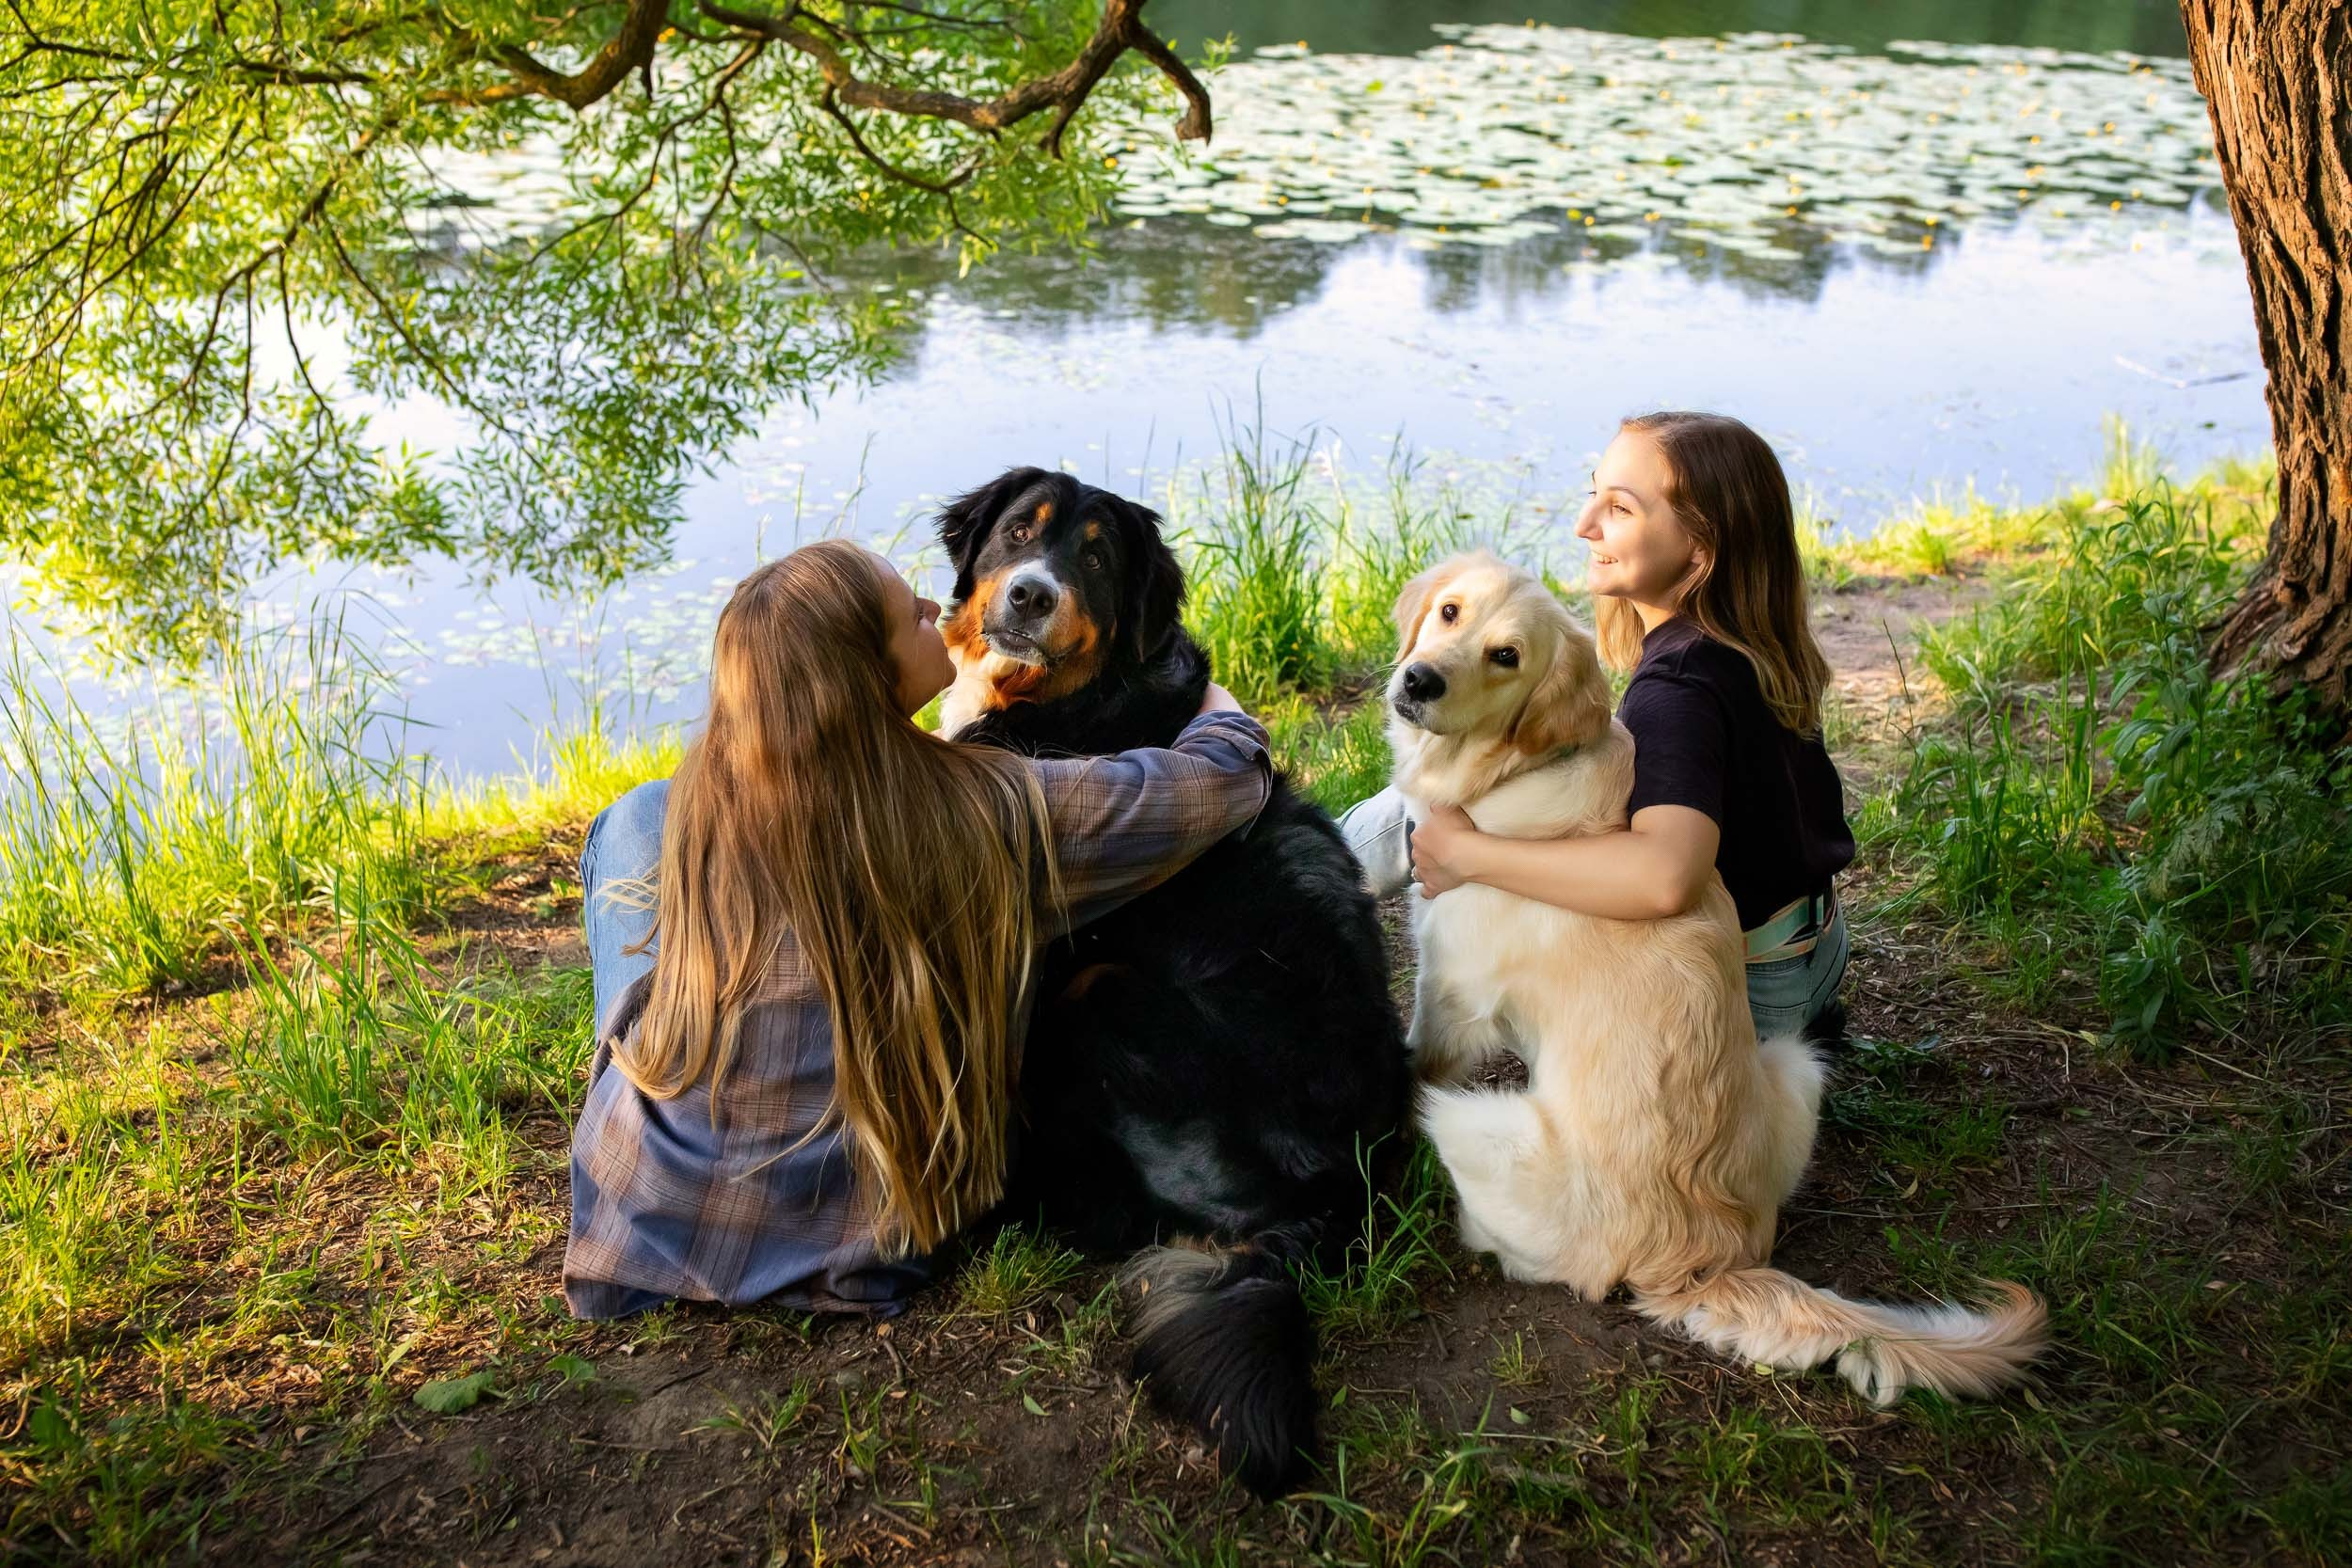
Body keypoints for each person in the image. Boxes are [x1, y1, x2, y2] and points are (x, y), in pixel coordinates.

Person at [565, 538, 1271, 1319]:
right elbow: (1224, 782)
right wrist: (1207, 698)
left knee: (634, 818)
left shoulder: (706, 792)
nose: (938, 608)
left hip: (644, 1211)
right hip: (862, 1242)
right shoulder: (987, 812)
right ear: (867, 673)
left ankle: (674, 1096)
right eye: (911, 615)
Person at [1341, 411, 1853, 1039]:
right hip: (1812, 952)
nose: (1584, 525)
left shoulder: (1678, 690)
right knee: (1461, 794)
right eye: (1593, 494)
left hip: (1743, 1001)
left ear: (1700, 547)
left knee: (1434, 810)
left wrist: (1466, 855)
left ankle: (1294, 883)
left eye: (1620, 509)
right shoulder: (1745, 644)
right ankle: (1303, 871)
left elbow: (1665, 877)